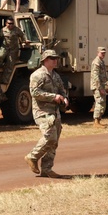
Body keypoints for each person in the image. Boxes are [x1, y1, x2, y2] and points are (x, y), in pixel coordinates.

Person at [25, 49, 70, 178]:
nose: (55, 61)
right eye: (52, 58)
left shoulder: (55, 75)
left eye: (56, 58)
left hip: (55, 112)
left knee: (54, 142)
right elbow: (35, 93)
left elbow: (62, 90)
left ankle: (47, 168)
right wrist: (53, 97)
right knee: (50, 137)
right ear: (44, 60)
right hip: (42, 111)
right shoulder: (37, 75)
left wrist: (64, 97)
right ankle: (32, 157)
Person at [0, 17, 26, 86]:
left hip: (13, 49)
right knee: (0, 56)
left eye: (12, 24)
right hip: (5, 47)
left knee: (10, 64)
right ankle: (0, 65)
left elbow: (22, 35)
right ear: (6, 23)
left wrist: (24, 41)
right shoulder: (3, 30)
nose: (11, 25)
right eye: (9, 23)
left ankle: (5, 81)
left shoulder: (17, 30)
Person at [90, 46, 108, 127]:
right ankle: (96, 121)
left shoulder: (101, 62)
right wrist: (100, 88)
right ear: (98, 52)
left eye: (104, 53)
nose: (103, 54)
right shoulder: (96, 62)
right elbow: (95, 76)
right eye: (102, 53)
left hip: (102, 86)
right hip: (98, 86)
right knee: (100, 102)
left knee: (102, 103)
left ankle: (98, 120)